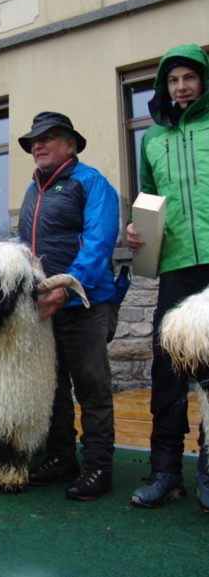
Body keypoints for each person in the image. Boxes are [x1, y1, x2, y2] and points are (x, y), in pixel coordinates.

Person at [17, 111, 119, 500]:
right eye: (33, 141)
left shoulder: (91, 182)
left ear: (70, 144)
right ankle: (62, 457)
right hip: (45, 308)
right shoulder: (33, 189)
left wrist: (68, 287)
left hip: (85, 305)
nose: (38, 146)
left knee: (92, 388)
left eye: (48, 138)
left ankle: (98, 466)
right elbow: (24, 245)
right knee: (54, 388)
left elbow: (99, 241)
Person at [127, 44, 209, 512]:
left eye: (189, 78)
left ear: (203, 82)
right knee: (169, 368)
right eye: (173, 80)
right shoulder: (152, 139)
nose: (181, 87)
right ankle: (165, 471)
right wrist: (136, 230)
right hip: (176, 268)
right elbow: (148, 198)